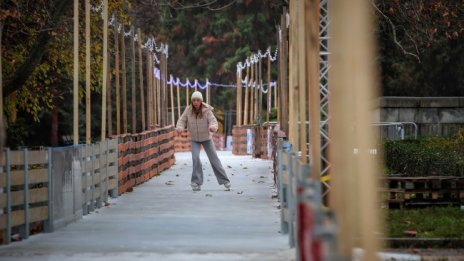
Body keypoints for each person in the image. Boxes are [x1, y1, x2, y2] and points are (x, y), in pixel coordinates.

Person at [176, 91, 231, 191]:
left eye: (198, 100)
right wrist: (179, 127)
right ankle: (196, 182)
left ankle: (225, 180)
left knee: (214, 159)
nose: (196, 102)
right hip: (195, 139)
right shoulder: (188, 110)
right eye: (194, 100)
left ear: (201, 101)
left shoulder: (207, 110)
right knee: (195, 157)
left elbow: (213, 121)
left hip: (207, 138)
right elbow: (182, 120)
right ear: (192, 101)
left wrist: (213, 127)